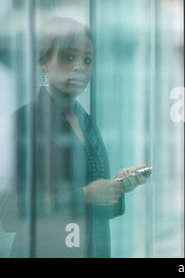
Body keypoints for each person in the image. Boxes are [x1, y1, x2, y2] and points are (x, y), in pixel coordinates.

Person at [0, 17, 152, 257]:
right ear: (45, 62)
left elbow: (93, 201)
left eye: (87, 59)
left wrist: (115, 187)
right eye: (69, 57)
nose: (80, 66)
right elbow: (9, 215)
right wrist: (86, 195)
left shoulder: (87, 123)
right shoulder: (23, 122)